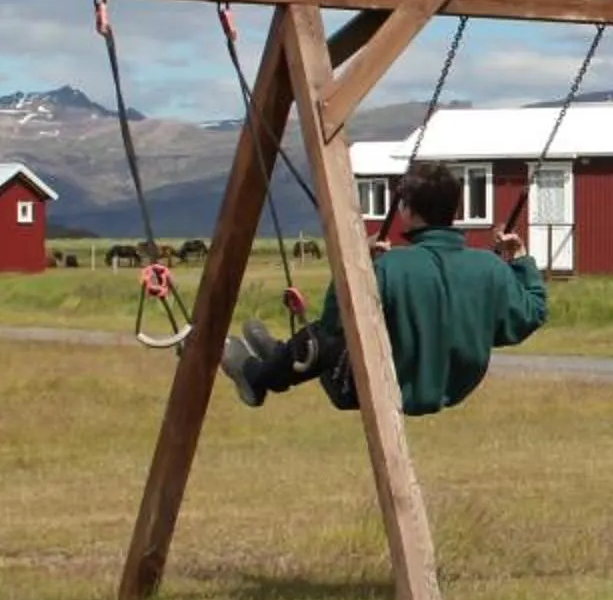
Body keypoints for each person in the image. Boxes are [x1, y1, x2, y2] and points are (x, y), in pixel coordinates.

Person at [221, 165, 547, 414]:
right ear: (456, 210)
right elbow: (531, 313)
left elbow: (336, 321)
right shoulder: (490, 267)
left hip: (379, 388)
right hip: (456, 386)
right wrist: (520, 258)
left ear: (406, 211)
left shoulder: (390, 267)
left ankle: (257, 376)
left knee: (324, 336)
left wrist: (359, 264)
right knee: (330, 337)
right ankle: (280, 356)